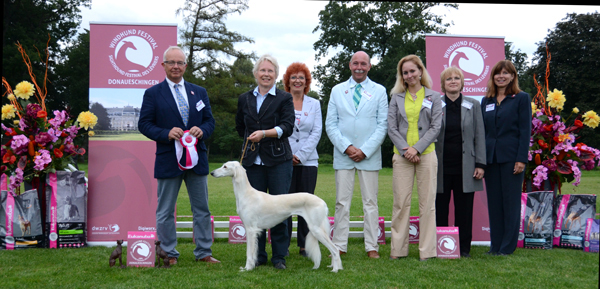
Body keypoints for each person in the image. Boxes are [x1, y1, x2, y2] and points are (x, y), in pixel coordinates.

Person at [138, 46, 219, 265]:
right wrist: (165, 133)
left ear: (185, 66)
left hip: (197, 159)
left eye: (180, 62)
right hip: (167, 159)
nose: (176, 66)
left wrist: (202, 131)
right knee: (165, 211)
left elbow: (210, 121)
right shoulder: (153, 93)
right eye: (171, 62)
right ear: (163, 65)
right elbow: (144, 124)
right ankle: (168, 254)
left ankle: (204, 252)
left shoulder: (199, 92)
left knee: (201, 210)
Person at [325, 51, 388, 259]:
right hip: (344, 155)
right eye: (355, 63)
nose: (359, 67)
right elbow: (331, 124)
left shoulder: (379, 91)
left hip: (369, 156)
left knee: (370, 202)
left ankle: (372, 246)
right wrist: (347, 147)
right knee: (342, 202)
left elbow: (382, 125)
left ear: (370, 66)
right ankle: (340, 245)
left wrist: (364, 150)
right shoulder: (337, 90)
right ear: (349, 65)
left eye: (363, 63)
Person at [235, 54, 295, 270]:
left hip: (279, 161)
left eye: (270, 71)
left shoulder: (284, 98)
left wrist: (264, 134)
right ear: (256, 74)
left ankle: (279, 257)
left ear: (276, 75)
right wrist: (253, 140)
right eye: (263, 70)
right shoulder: (244, 99)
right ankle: (258, 255)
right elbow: (241, 127)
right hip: (252, 163)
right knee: (254, 212)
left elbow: (287, 127)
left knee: (279, 209)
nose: (266, 74)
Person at [387, 54, 442, 261]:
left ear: (420, 71)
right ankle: (398, 250)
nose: (409, 75)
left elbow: (436, 127)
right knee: (401, 203)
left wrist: (417, 149)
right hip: (401, 157)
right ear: (401, 76)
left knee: (427, 203)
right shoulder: (396, 97)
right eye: (405, 72)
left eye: (412, 71)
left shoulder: (434, 96)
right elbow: (391, 128)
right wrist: (405, 149)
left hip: (426, 155)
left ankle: (427, 251)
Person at [481, 60, 531, 256]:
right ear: (493, 77)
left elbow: (525, 130)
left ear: (512, 76)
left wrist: (521, 159)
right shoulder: (487, 100)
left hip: (512, 159)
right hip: (491, 160)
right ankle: (495, 246)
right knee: (494, 203)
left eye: (505, 73)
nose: (501, 76)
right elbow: (483, 131)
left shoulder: (521, 98)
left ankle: (507, 247)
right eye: (497, 73)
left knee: (510, 203)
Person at [434, 66, 486, 258]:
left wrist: (481, 163)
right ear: (443, 84)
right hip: (440, 167)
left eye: (457, 78)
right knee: (440, 210)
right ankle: (440, 247)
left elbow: (480, 135)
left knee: (464, 211)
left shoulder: (473, 105)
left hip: (467, 168)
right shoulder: (434, 104)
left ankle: (464, 249)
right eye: (449, 79)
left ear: (462, 82)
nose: (453, 81)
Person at [282, 62, 322, 257]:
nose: (297, 80)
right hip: (284, 160)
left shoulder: (315, 103)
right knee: (286, 205)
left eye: (301, 77)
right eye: (293, 77)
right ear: (287, 81)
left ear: (306, 82)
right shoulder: (280, 101)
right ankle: (284, 245)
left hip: (308, 162)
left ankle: (305, 244)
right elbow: (279, 130)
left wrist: (300, 155)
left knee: (306, 204)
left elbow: (316, 132)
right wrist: (289, 155)